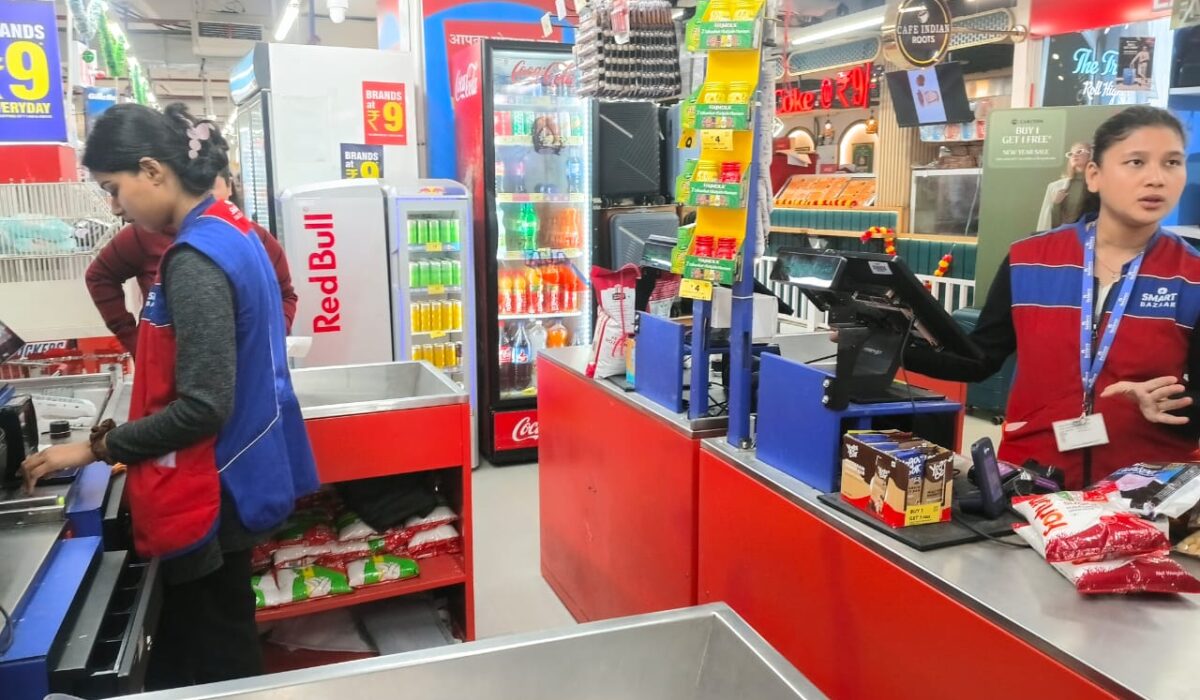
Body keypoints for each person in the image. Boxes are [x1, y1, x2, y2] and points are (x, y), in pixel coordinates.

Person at [21, 103, 319, 688]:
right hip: (235, 472)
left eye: (114, 189)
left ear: (153, 170)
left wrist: (95, 448)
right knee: (223, 634)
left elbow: (204, 405)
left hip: (210, 486)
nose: (115, 207)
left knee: (215, 654)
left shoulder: (196, 258)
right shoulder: (233, 228)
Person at [906, 106, 1200, 489]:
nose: (1156, 178)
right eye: (1136, 162)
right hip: (1034, 480)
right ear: (1093, 175)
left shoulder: (1192, 275)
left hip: (1143, 492)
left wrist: (1169, 402)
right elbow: (979, 359)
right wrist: (891, 345)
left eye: (1172, 163)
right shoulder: (1029, 260)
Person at [86, 168, 297, 356]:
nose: (203, 196)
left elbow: (285, 294)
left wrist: (270, 339)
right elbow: (99, 276)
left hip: (243, 366)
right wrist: (135, 340)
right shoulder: (147, 232)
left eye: (210, 186)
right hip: (166, 366)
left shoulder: (253, 237)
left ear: (229, 187)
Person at [1036, 141, 1092, 231]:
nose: (1074, 155)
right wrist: (1056, 204)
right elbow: (1047, 223)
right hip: (1064, 236)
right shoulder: (1055, 187)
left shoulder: (1100, 185)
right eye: (1071, 154)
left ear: (1090, 155)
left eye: (1079, 152)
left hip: (1091, 236)